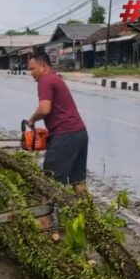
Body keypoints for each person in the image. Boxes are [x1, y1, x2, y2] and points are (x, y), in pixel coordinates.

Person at [26, 51, 89, 195]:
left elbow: (44, 109)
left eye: (32, 69)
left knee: (49, 181)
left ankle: (45, 217)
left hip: (65, 135)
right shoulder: (55, 78)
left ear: (42, 67)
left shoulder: (45, 80)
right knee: (77, 181)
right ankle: (88, 215)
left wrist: (31, 121)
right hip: (80, 134)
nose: (31, 73)